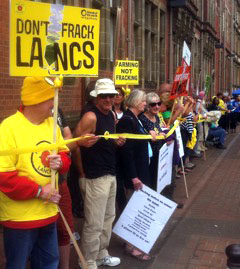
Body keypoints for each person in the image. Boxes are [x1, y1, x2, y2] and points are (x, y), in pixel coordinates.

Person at [0, 77, 71, 269]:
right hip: (20, 219)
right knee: (17, 265)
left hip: (49, 213)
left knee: (49, 264)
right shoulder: (8, 128)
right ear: (38, 99)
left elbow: (65, 157)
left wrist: (60, 162)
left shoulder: (52, 125)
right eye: (52, 99)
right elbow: (4, 177)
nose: (55, 104)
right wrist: (39, 191)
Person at [75, 78, 125, 269]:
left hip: (109, 172)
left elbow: (105, 139)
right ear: (96, 97)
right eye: (103, 96)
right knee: (94, 222)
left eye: (111, 95)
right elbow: (74, 145)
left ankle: (101, 253)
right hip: (94, 176)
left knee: (108, 218)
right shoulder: (91, 116)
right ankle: (87, 260)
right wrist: (81, 174)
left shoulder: (111, 114)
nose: (108, 99)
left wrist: (115, 142)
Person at [116, 89, 153, 261]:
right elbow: (126, 152)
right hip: (134, 172)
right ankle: (130, 245)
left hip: (140, 168)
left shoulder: (135, 119)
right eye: (143, 101)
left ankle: (130, 241)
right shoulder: (127, 120)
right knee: (132, 208)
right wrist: (133, 176)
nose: (145, 103)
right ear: (135, 102)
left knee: (136, 206)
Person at [57, 108, 75, 269]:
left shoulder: (58, 111)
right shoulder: (16, 125)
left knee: (65, 229)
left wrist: (62, 155)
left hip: (61, 181)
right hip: (40, 186)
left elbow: (68, 136)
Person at [139, 92, 166, 190]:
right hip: (148, 156)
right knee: (149, 182)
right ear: (147, 106)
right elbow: (143, 135)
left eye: (159, 103)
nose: (157, 106)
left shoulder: (157, 117)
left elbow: (159, 131)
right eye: (153, 104)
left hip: (159, 155)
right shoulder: (142, 118)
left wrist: (162, 134)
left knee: (157, 181)